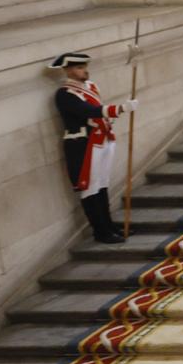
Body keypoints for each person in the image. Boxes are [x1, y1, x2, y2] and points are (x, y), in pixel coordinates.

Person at [51, 51, 135, 243]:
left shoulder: (90, 87)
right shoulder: (65, 94)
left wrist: (113, 114)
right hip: (83, 145)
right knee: (90, 189)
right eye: (80, 68)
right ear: (68, 70)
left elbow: (98, 113)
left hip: (100, 140)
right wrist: (120, 108)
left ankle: (109, 226)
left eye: (84, 67)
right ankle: (100, 232)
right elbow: (88, 112)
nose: (84, 71)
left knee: (102, 186)